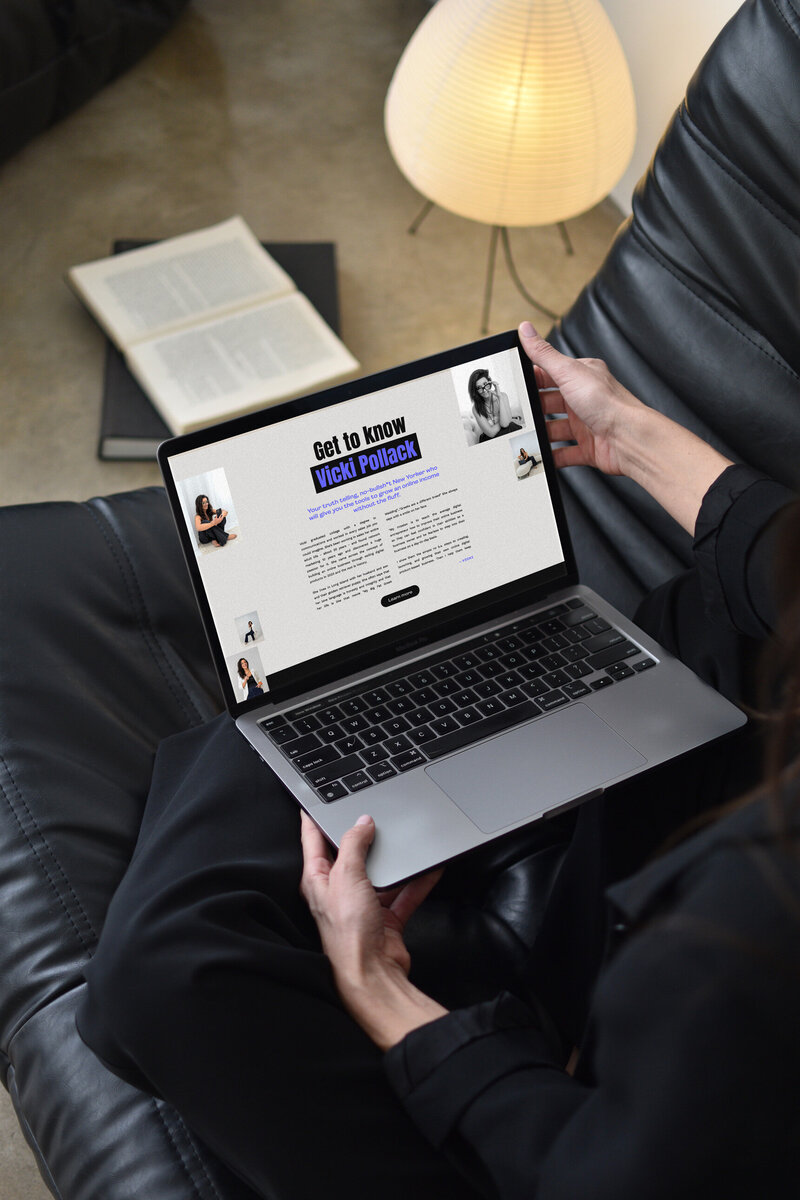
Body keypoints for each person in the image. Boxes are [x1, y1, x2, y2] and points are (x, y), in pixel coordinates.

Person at [77, 321, 799, 1199]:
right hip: (628, 944)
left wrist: (376, 988)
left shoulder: (744, 937)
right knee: (701, 623)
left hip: (549, 1137)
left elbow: (595, 1173)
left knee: (155, 972)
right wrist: (628, 434)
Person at [468, 368, 522, 441]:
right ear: (475, 391)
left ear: (490, 382)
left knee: (510, 427)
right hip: (490, 437)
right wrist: (504, 419)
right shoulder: (476, 408)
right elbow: (491, 433)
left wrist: (499, 397)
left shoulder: (503, 396)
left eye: (485, 384)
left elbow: (505, 424)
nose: (484, 390)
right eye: (479, 388)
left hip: (508, 429)